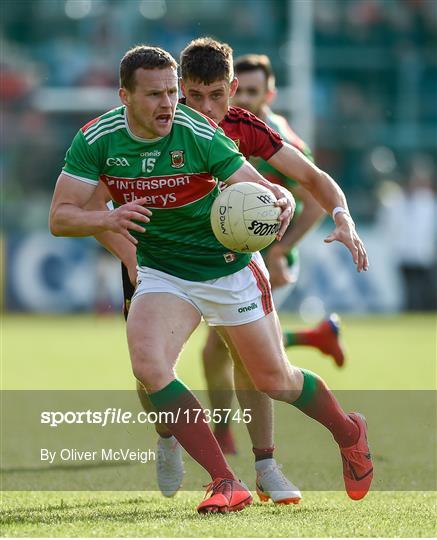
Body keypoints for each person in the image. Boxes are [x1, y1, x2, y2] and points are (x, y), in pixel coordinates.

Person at [50, 44, 372, 514]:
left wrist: (276, 202)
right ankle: (225, 480)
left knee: (274, 379)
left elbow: (259, 182)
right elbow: (63, 216)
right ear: (124, 96)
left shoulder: (203, 131)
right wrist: (108, 224)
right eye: (160, 94)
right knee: (148, 364)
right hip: (164, 269)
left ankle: (348, 431)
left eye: (170, 92)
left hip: (229, 268)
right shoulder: (97, 138)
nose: (170, 104)